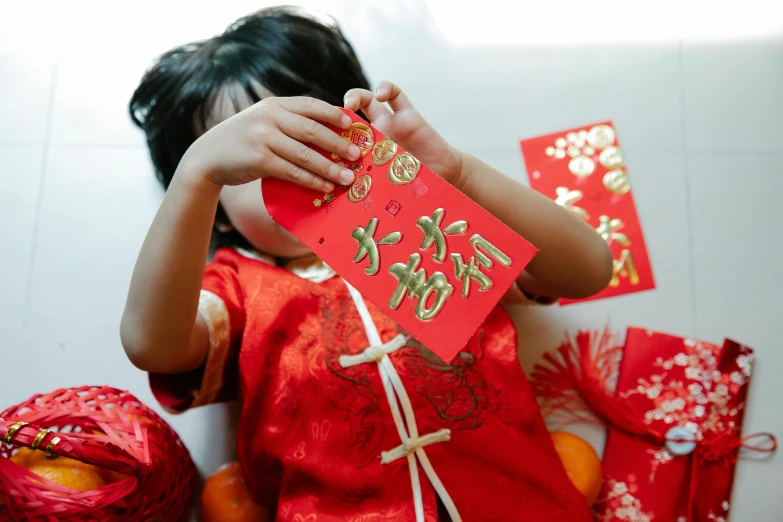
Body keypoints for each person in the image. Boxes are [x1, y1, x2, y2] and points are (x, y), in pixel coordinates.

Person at [122, 6, 612, 521]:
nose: (295, 172)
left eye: (311, 139)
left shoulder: (426, 225)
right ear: (217, 213)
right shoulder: (238, 287)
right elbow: (151, 345)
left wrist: (458, 175)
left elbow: (589, 269)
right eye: (255, 164)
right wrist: (197, 175)